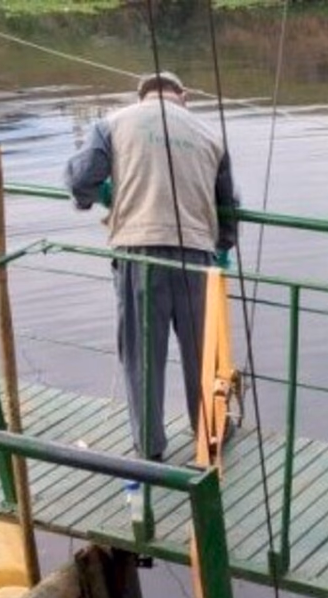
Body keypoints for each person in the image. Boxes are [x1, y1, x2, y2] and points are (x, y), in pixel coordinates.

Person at [64, 71, 237, 461]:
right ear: (184, 95)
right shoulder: (212, 135)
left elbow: (80, 179)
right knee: (201, 349)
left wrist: (95, 196)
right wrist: (223, 246)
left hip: (139, 252)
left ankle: (150, 446)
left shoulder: (112, 123)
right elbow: (228, 205)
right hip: (196, 255)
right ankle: (211, 434)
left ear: (139, 96)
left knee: (143, 353)